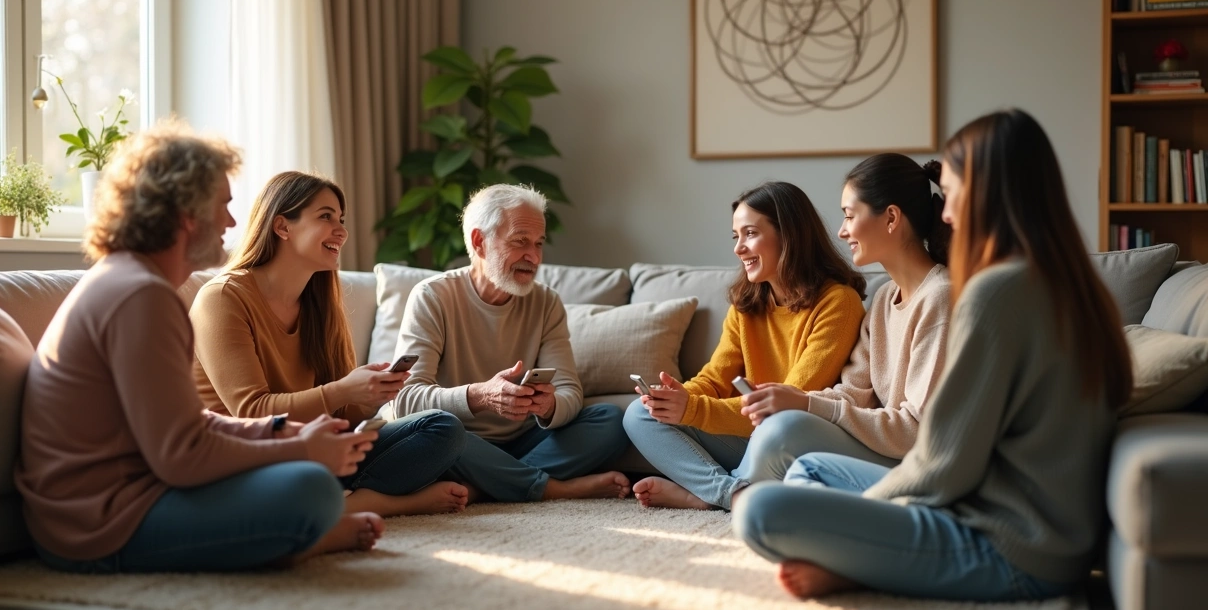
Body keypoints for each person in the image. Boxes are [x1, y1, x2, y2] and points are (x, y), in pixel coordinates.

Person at [733, 109, 1133, 602]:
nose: (944, 213)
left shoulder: (994, 293)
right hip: (1016, 526)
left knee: (759, 512)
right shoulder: (1069, 285)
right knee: (807, 472)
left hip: (1008, 545)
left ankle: (858, 561)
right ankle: (860, 558)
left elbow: (943, 463)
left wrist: (865, 518)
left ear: (987, 191)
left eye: (953, 190)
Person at [15, 120, 385, 573]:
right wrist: (300, 450)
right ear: (188, 213)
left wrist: (278, 433)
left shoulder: (136, 283)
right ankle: (303, 539)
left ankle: (293, 538)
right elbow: (181, 457)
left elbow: (188, 422)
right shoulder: (140, 296)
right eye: (223, 205)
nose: (232, 221)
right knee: (312, 488)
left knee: (317, 476)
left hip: (133, 492)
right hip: (98, 522)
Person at [190, 171, 469, 517]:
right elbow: (252, 412)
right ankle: (381, 503)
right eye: (326, 217)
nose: (342, 231)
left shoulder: (321, 304)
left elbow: (342, 417)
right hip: (249, 459)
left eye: (342, 220)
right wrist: (342, 390)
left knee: (442, 427)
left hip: (313, 454)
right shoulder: (222, 298)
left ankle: (329, 501)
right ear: (282, 226)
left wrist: (370, 396)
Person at [623, 181, 867, 511]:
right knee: (638, 414)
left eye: (750, 233)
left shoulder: (838, 302)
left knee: (775, 425)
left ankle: (705, 494)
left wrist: (693, 409)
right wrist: (674, 397)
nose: (739, 248)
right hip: (749, 433)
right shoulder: (746, 305)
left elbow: (790, 400)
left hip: (789, 436)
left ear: (789, 235)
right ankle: (731, 493)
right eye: (736, 236)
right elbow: (714, 379)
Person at [388, 183, 630, 503]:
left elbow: (570, 391)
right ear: (480, 242)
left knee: (611, 420)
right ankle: (550, 488)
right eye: (520, 241)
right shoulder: (432, 296)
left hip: (522, 441)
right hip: (458, 441)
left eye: (539, 243)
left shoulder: (546, 302)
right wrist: (480, 396)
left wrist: (549, 406)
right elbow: (404, 401)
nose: (534, 256)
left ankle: (490, 484)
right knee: (440, 430)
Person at [737, 155, 953, 481]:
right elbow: (853, 394)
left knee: (784, 431)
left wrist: (806, 406)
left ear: (891, 218)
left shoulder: (940, 298)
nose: (841, 232)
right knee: (780, 423)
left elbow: (916, 429)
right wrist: (796, 400)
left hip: (917, 464)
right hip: (883, 449)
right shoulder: (884, 299)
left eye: (850, 216)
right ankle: (733, 491)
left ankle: (728, 492)